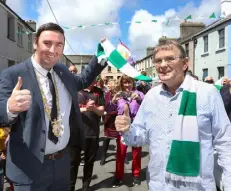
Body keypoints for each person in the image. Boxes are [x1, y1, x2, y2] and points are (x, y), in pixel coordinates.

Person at [0, 22, 107, 191]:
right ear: (35, 43)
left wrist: (99, 58)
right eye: (47, 43)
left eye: (59, 45)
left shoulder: (62, 71)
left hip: (62, 163)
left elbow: (83, 80)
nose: (53, 50)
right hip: (29, 168)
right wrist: (9, 107)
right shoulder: (12, 75)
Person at [115, 40, 231, 190]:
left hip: (198, 187)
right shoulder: (151, 96)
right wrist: (127, 129)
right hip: (159, 185)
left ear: (185, 63)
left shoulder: (208, 94)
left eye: (170, 58)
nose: (162, 64)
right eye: (158, 61)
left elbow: (225, 143)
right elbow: (140, 136)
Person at [70, 80, 105, 191]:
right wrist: (85, 108)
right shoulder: (75, 88)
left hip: (92, 132)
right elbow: (70, 110)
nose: (92, 79)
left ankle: (86, 186)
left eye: (94, 77)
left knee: (89, 161)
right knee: (73, 162)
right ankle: (70, 187)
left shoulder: (99, 92)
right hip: (76, 133)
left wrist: (93, 108)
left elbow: (101, 111)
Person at [112, 75, 144, 188]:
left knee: (136, 153)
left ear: (133, 83)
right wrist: (113, 101)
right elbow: (109, 110)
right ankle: (119, 177)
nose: (127, 85)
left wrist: (139, 99)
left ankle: (136, 175)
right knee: (120, 154)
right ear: (121, 84)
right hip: (122, 127)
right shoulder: (119, 95)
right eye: (125, 83)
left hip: (136, 126)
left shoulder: (139, 94)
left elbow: (146, 106)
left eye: (129, 82)